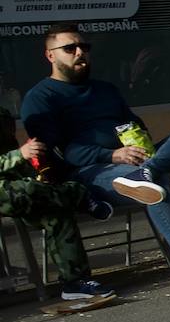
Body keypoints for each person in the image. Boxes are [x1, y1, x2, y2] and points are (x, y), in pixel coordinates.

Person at [22, 24, 170, 290]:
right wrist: (113, 154)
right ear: (50, 55)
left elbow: (135, 125)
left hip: (135, 162)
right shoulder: (41, 98)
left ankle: (149, 170)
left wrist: (142, 151)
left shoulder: (105, 89)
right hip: (89, 174)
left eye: (84, 47)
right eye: (70, 48)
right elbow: (59, 153)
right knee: (155, 187)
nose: (80, 53)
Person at [0, 113, 116, 303]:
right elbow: (15, 157)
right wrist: (18, 155)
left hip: (12, 189)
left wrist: (31, 169)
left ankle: (76, 282)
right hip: (11, 192)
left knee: (56, 212)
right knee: (26, 190)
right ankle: (77, 193)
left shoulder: (2, 115)